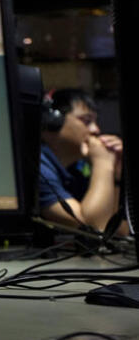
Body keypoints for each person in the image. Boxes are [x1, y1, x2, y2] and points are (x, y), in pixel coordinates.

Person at [37, 88, 125, 233]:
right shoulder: (38, 166)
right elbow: (93, 229)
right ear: (52, 122)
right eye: (86, 120)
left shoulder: (78, 168)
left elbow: (119, 230)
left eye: (95, 121)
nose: (96, 129)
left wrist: (115, 176)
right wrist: (103, 163)